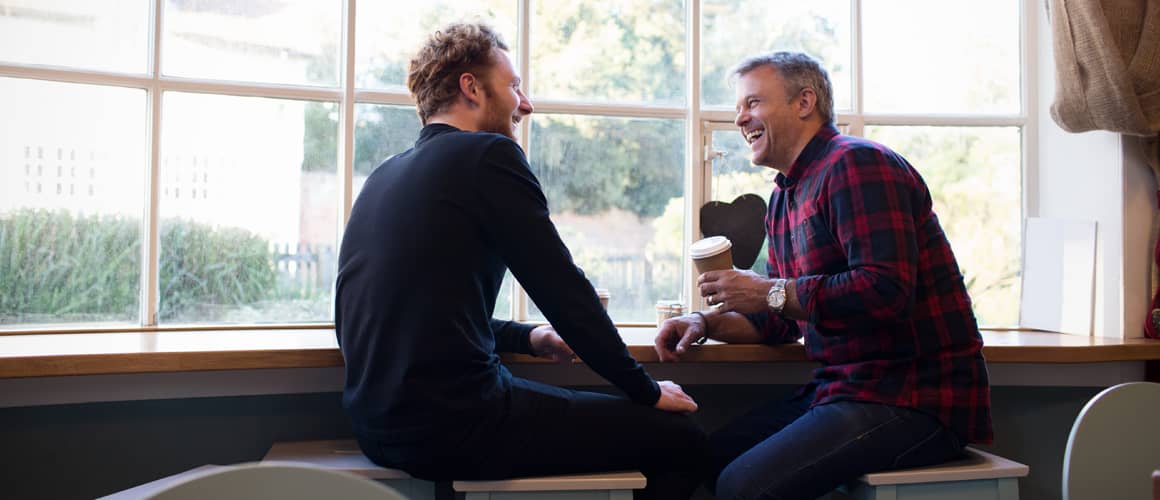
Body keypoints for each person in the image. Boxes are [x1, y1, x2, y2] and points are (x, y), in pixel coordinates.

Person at [335, 22, 708, 499]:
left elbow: (418, 311)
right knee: (685, 440)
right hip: (457, 423)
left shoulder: (385, 174)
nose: (525, 103)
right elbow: (563, 290)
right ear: (471, 87)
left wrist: (528, 337)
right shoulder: (489, 155)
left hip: (377, 428)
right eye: (513, 86)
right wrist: (645, 389)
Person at [655, 51, 993, 500]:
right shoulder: (783, 198)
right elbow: (776, 318)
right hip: (843, 391)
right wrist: (703, 323)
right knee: (699, 454)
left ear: (804, 102)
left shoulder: (857, 164)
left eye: (752, 103)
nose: (740, 118)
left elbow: (886, 291)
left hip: (915, 398)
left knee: (743, 487)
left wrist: (769, 291)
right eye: (739, 107)